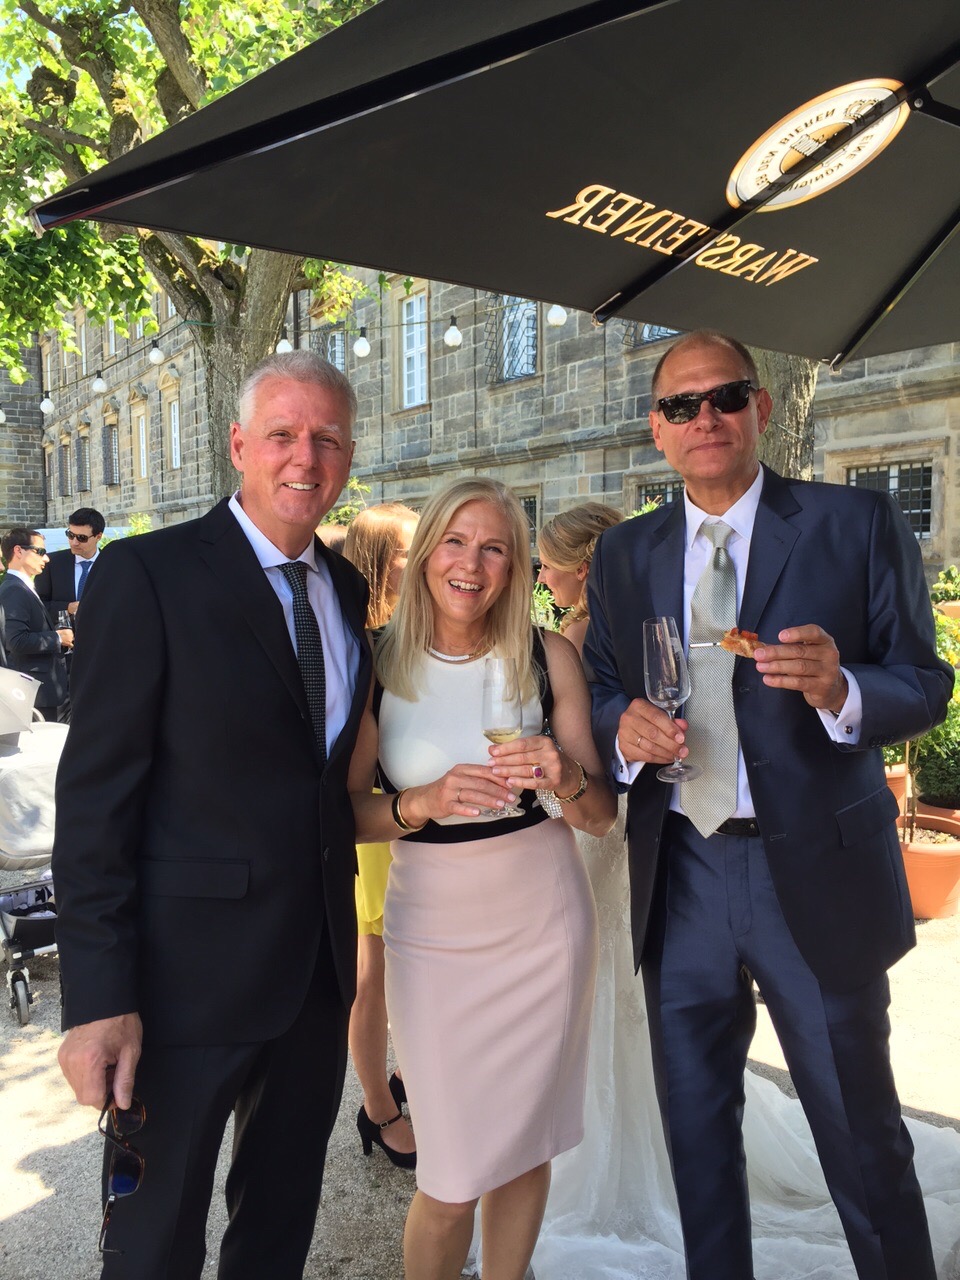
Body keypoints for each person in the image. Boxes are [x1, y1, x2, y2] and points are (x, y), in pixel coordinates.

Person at [583, 329, 954, 1280]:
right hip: (682, 872)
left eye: (725, 396)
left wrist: (843, 690)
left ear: (763, 407)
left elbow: (925, 681)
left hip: (815, 874)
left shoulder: (854, 522)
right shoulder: (624, 553)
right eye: (681, 405)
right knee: (698, 1138)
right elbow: (601, 685)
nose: (704, 417)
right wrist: (622, 727)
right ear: (657, 430)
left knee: (861, 1137)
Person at [52, 350, 371, 1280]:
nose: (304, 457)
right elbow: (96, 800)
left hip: (315, 980)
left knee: (276, 1233)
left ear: (349, 455)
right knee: (151, 1247)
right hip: (181, 987)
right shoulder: (146, 574)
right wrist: (98, 1000)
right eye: (282, 434)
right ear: (238, 445)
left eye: (327, 438)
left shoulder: (346, 589)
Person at [348, 477, 615, 1280]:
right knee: (450, 1176)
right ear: (428, 551)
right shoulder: (375, 664)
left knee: (524, 1148)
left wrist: (563, 773)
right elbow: (345, 815)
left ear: (517, 564)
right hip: (432, 929)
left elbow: (599, 816)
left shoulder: (547, 655)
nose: (471, 564)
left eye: (494, 547)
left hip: (542, 920)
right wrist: (418, 803)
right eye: (456, 542)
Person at [342, 502, 420, 1168]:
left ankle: (406, 1080)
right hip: (378, 822)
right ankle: (377, 1107)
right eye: (408, 550)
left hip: (419, 821)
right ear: (376, 561)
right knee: (375, 973)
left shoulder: (410, 631)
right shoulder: (360, 643)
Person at [0, 528, 72, 721]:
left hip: (41, 692)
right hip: (33, 695)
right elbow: (15, 641)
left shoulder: (21, 587)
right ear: (18, 551)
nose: (46, 558)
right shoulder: (14, 589)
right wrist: (58, 638)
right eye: (40, 551)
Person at [536, 503, 622, 655]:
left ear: (580, 570)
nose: (540, 579)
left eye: (546, 566)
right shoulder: (621, 619)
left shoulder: (579, 634)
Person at [36, 505, 105, 625]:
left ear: (98, 537)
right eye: (70, 535)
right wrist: (67, 608)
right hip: (64, 634)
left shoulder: (111, 565)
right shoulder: (51, 563)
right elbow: (38, 606)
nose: (74, 542)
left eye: (82, 538)